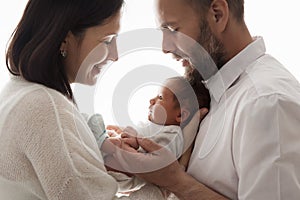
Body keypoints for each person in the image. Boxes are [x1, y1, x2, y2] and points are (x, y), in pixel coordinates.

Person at [104, 0, 300, 199]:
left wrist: (174, 180)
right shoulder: (211, 92)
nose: (165, 47)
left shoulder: (266, 102)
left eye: (172, 29)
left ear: (217, 14)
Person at [0, 0, 125, 199]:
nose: (115, 55)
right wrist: (171, 183)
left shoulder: (18, 91)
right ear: (65, 39)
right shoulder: (46, 108)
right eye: (107, 41)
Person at [87, 73, 210, 197]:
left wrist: (133, 142)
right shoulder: (156, 128)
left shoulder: (173, 134)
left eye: (160, 98)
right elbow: (142, 137)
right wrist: (125, 133)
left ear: (180, 115)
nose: (151, 100)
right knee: (114, 137)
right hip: (118, 168)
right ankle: (100, 141)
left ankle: (101, 141)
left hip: (126, 172)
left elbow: (156, 160)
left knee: (114, 142)